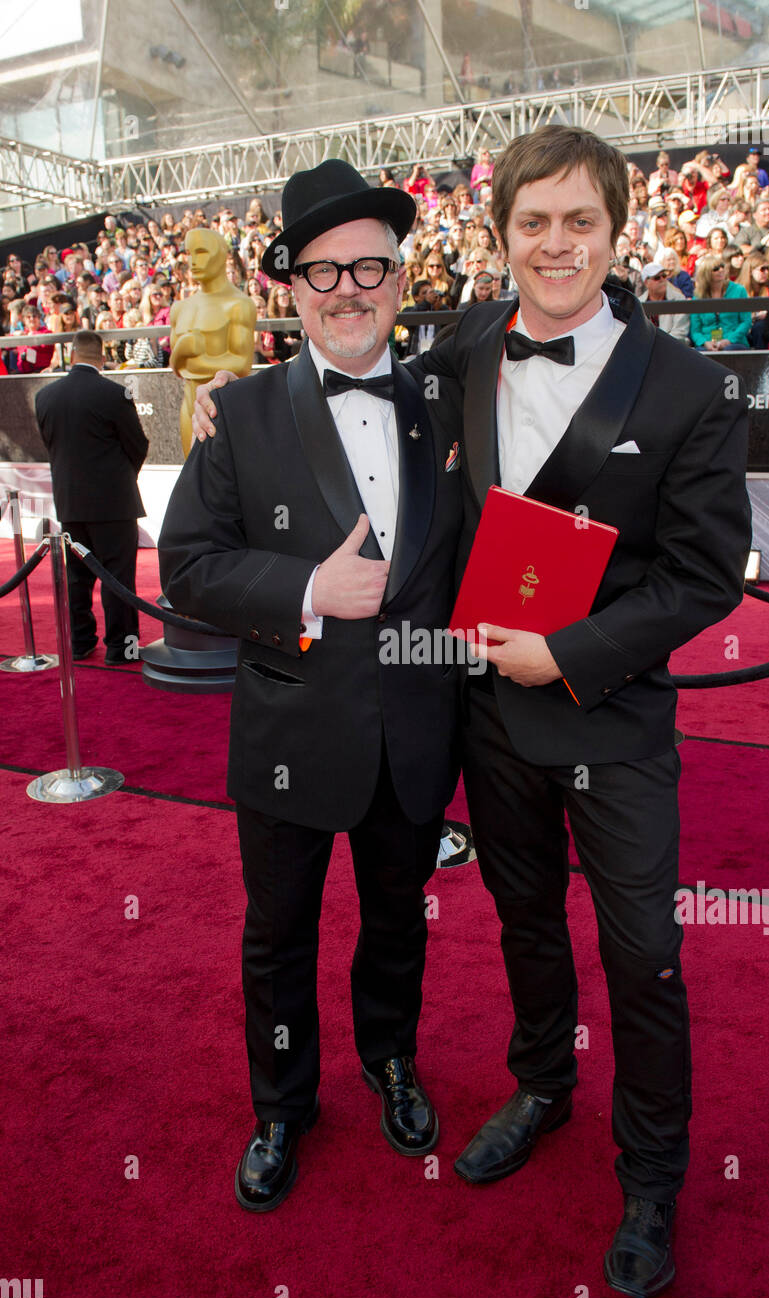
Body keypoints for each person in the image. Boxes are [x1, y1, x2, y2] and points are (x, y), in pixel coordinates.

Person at [191, 128, 751, 1298]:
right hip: (440, 727)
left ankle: (645, 1178)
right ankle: (501, 1088)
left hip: (583, 720)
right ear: (498, 240)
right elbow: (201, 550)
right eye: (532, 223)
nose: (555, 244)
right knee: (508, 924)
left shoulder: (673, 386)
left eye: (577, 222)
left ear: (612, 230)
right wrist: (273, 533)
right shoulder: (435, 363)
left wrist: (571, 652)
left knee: (641, 954)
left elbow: (704, 577)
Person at [159, 160, 464, 1214]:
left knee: (398, 920)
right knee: (277, 935)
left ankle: (391, 1060)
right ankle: (282, 1104)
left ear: (397, 275)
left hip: (418, 732)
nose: (348, 289)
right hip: (288, 733)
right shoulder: (237, 416)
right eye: (324, 270)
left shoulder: (443, 396)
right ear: (291, 286)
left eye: (369, 265)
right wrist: (305, 585)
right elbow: (188, 566)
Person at [34, 330, 148, 663]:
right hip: (114, 503)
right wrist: (121, 478)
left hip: (69, 502)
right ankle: (121, 649)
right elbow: (137, 444)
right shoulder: (114, 394)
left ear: (71, 355)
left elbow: (52, 445)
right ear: (101, 356)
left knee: (76, 577)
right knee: (117, 578)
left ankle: (80, 643)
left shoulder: (45, 397)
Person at [690, 254, 751, 350]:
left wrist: (729, 340)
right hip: (707, 342)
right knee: (700, 355)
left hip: (734, 342)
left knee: (728, 351)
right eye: (716, 269)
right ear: (706, 273)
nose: (721, 270)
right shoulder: (698, 296)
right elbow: (695, 331)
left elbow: (746, 322)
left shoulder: (739, 291)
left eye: (722, 267)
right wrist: (705, 343)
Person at [638, 261, 690, 343]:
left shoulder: (679, 299)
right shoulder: (639, 303)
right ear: (646, 283)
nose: (662, 279)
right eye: (657, 278)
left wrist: (661, 345)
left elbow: (680, 331)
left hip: (674, 347)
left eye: (664, 276)